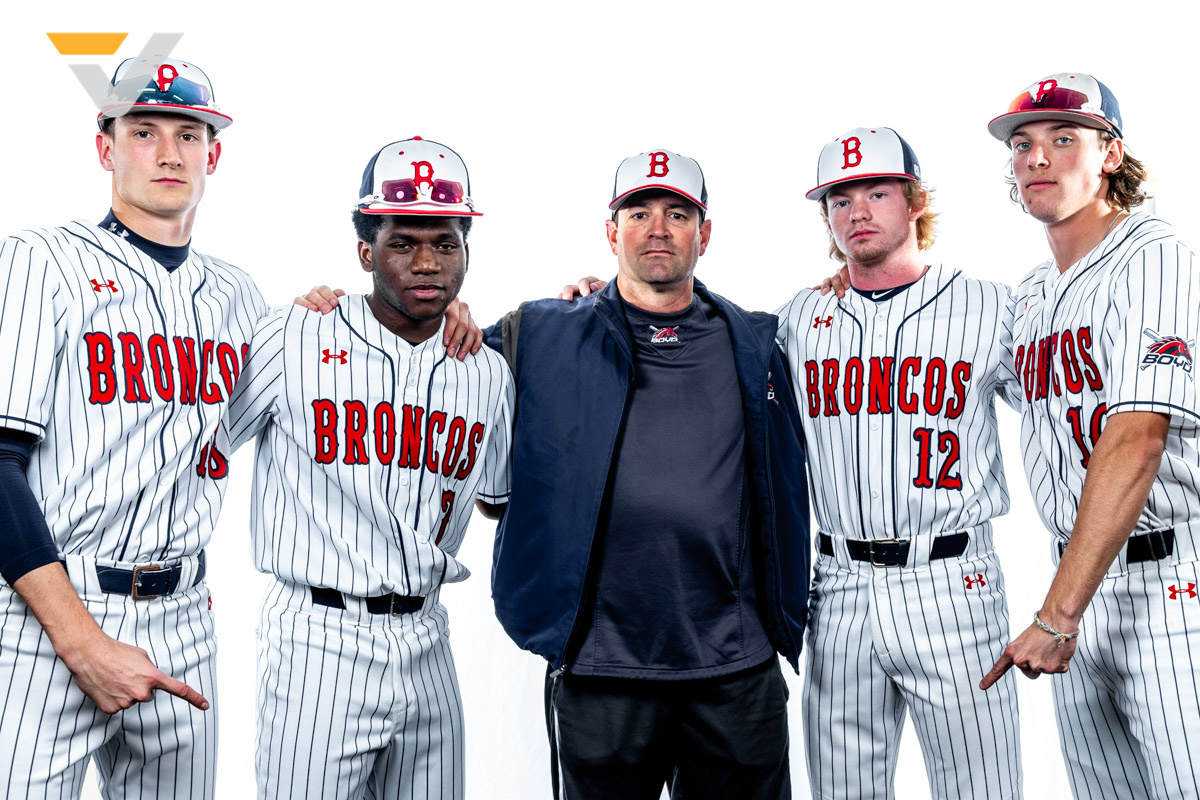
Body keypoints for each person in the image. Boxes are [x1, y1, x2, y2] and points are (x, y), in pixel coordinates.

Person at [482, 149, 810, 800]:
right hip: (602, 667)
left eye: (677, 213)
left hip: (734, 668)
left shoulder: (755, 341)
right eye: (639, 212)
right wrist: (337, 310)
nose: (657, 228)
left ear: (704, 232)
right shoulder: (540, 332)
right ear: (612, 233)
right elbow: (432, 360)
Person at [0, 56, 260, 797]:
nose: (169, 152)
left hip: (186, 615)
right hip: (49, 615)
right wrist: (80, 642)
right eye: (143, 130)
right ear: (105, 146)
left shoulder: (239, 294)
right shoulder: (39, 262)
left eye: (188, 132)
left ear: (214, 154)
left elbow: (319, 384)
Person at [225, 137, 512, 800]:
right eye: (402, 241)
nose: (426, 263)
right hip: (317, 636)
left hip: (428, 636)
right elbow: (201, 445)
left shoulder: (487, 371)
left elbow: (497, 498)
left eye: (445, 243)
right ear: (364, 252)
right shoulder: (292, 334)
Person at [781, 127, 1023, 799]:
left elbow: (1062, 416)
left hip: (952, 583)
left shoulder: (991, 306)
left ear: (914, 201)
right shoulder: (800, 318)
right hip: (838, 589)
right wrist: (611, 296)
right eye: (839, 198)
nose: (856, 211)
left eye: (876, 192)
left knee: (983, 790)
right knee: (841, 791)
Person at [979, 72, 1200, 798]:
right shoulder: (1033, 294)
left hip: (1171, 583)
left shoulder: (1155, 254)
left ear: (1111, 154)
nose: (1037, 158)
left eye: (1063, 139)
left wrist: (1056, 614)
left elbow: (1138, 436)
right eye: (1024, 144)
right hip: (1079, 579)